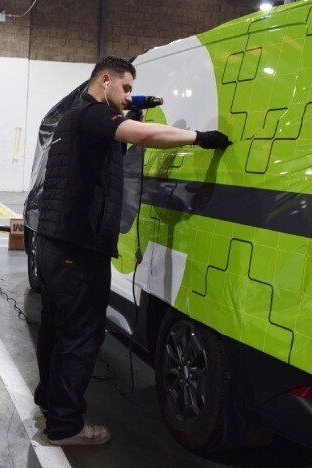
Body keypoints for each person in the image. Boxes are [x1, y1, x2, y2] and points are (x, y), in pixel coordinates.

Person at [34, 56, 231, 446]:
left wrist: (129, 106)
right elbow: (141, 136)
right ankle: (66, 427)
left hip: (55, 244)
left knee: (56, 332)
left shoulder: (71, 119)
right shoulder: (91, 116)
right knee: (80, 338)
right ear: (104, 80)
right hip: (78, 250)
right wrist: (199, 138)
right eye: (124, 88)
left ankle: (50, 403)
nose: (127, 96)